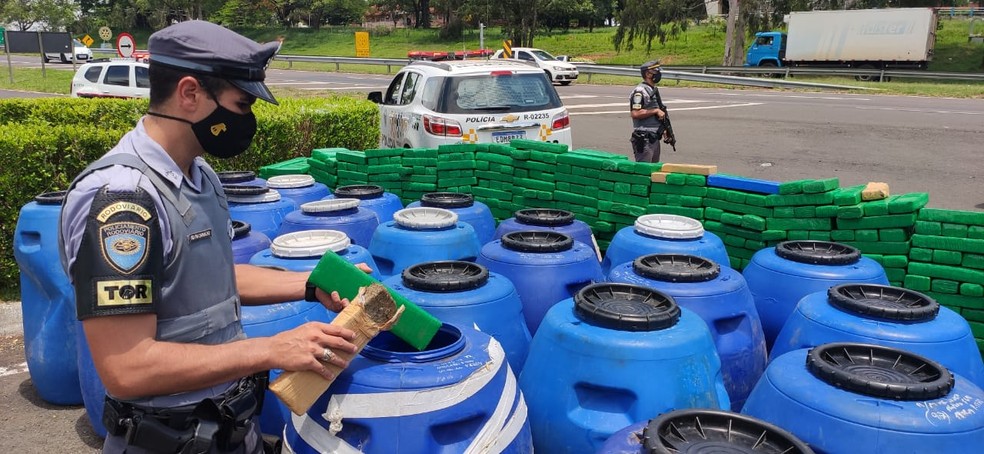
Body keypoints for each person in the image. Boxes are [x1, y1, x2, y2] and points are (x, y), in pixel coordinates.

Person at [59, 21, 358, 454]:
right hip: (168, 440)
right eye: (241, 104)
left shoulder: (199, 176)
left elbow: (208, 278)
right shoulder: (123, 202)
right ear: (189, 93)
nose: (247, 119)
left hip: (231, 428)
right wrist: (272, 349)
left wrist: (312, 283)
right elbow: (127, 366)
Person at [629, 60, 669, 163]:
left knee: (654, 169)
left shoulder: (652, 90)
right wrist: (655, 111)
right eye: (656, 71)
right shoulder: (640, 91)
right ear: (648, 74)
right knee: (644, 170)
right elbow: (635, 113)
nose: (658, 74)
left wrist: (664, 129)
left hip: (654, 138)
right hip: (644, 138)